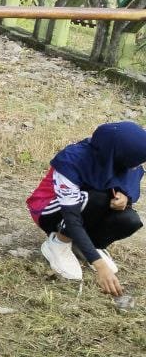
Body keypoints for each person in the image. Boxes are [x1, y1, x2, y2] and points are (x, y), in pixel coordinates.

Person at [28, 122, 144, 296]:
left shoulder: (118, 157)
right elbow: (71, 217)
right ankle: (58, 243)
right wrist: (100, 265)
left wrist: (126, 198)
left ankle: (86, 246)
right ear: (118, 154)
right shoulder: (72, 159)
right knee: (98, 198)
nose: (136, 167)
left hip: (87, 208)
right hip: (50, 210)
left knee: (129, 220)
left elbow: (130, 180)